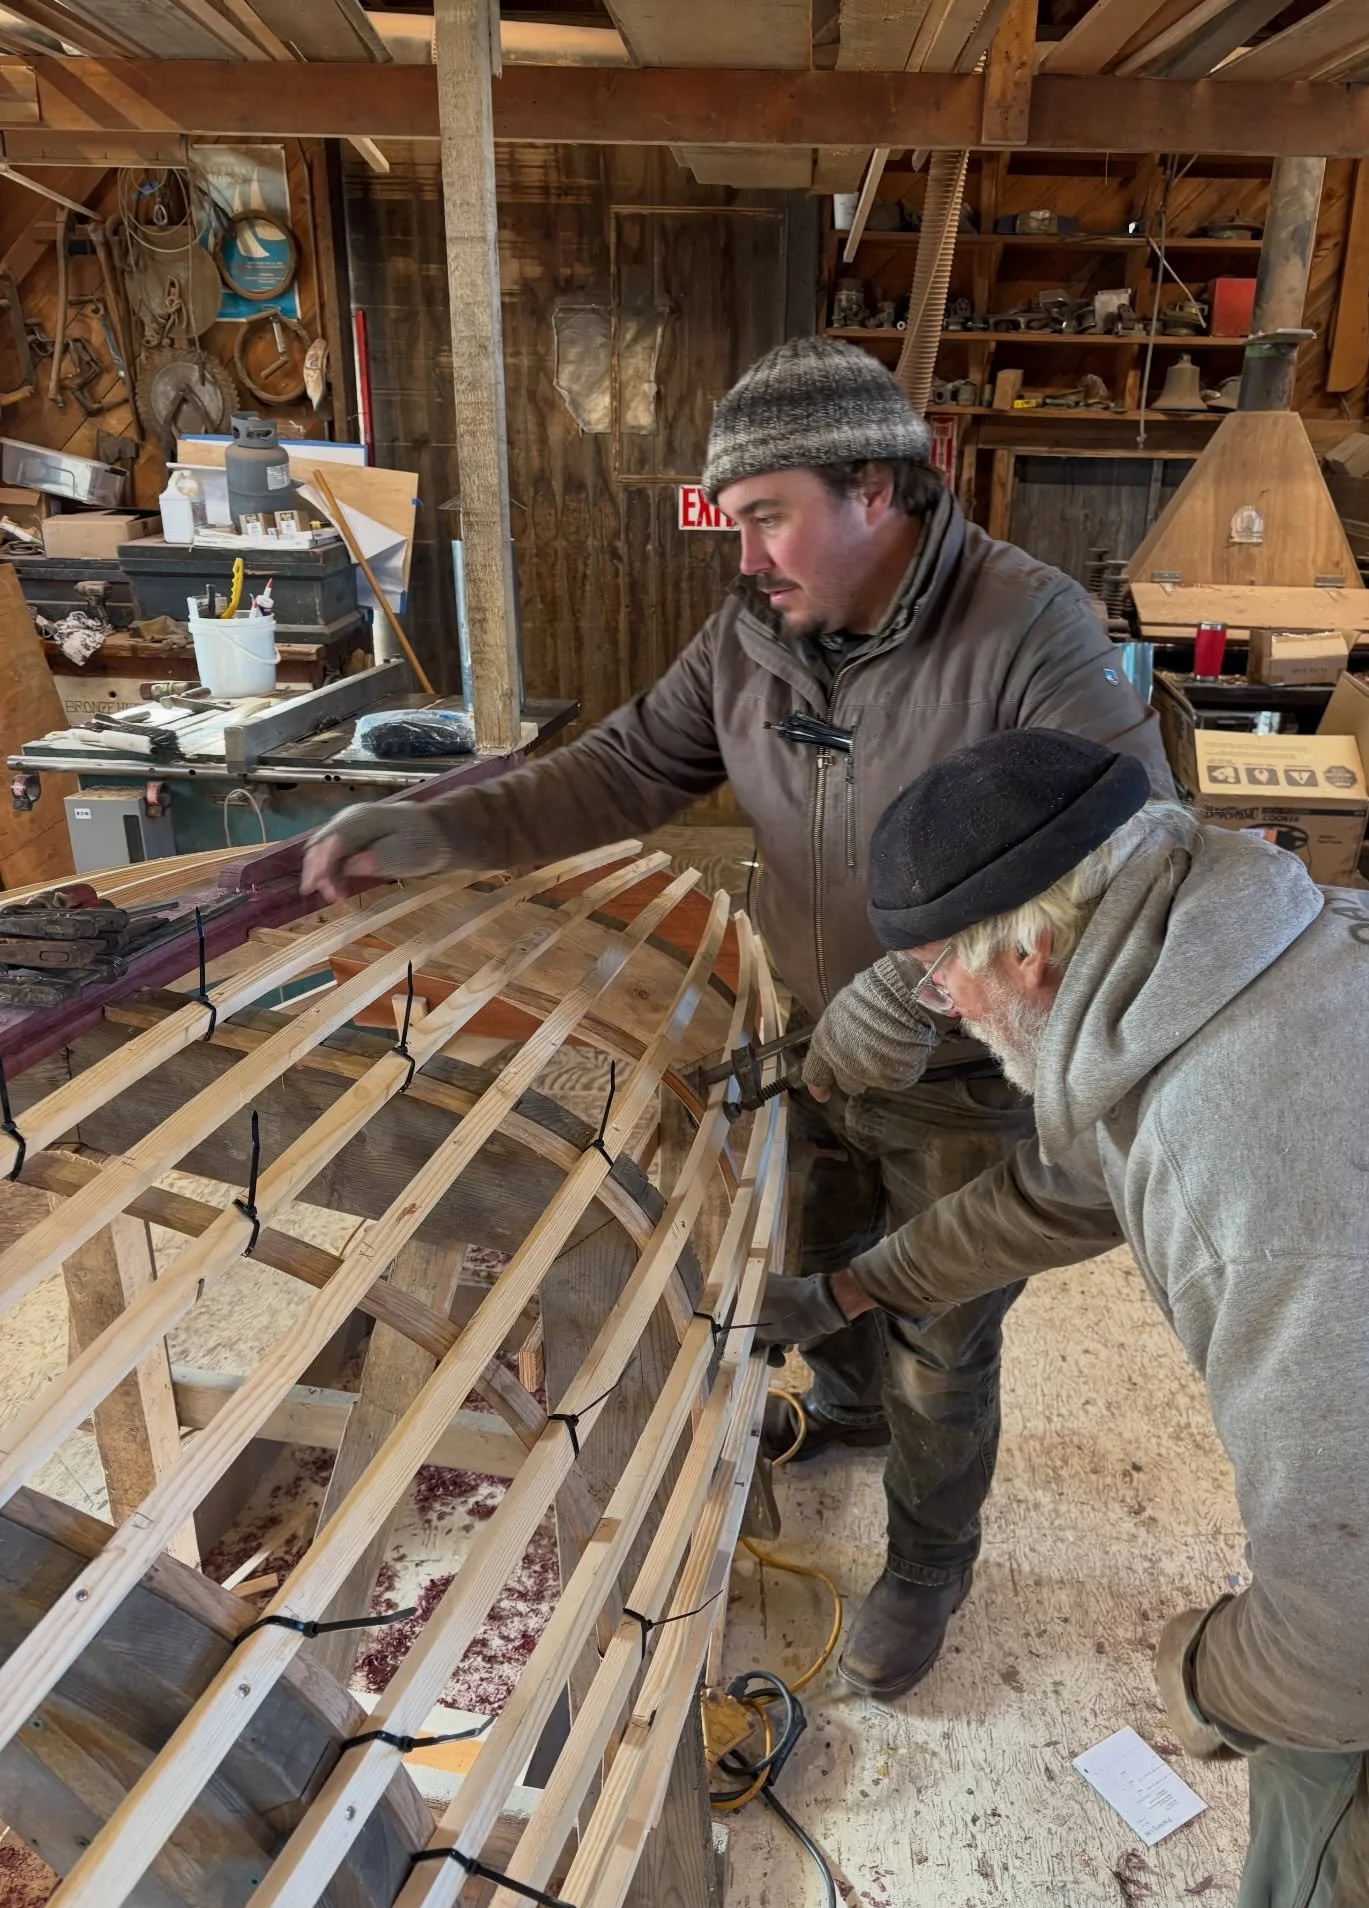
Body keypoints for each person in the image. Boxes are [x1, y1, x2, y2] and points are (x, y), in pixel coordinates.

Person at [301, 336, 1172, 1698]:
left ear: (876, 492)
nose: (747, 558)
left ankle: (931, 1561)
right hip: (807, 1032)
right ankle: (844, 1410)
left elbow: (1125, 843)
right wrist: (437, 832)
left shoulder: (1030, 629)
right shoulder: (752, 639)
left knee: (946, 1324)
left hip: (964, 1063)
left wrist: (921, 975)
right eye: (735, 523)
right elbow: (623, 773)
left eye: (769, 519)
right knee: (815, 1244)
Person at [757, 728, 1369, 1908]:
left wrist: (1211, 1677)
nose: (941, 1008)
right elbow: (1070, 1188)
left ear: (1027, 952)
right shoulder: (1311, 941)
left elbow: (1366, 1639)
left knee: (1339, 1809)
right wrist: (854, 1291)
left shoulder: (1241, 1160)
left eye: (935, 978)